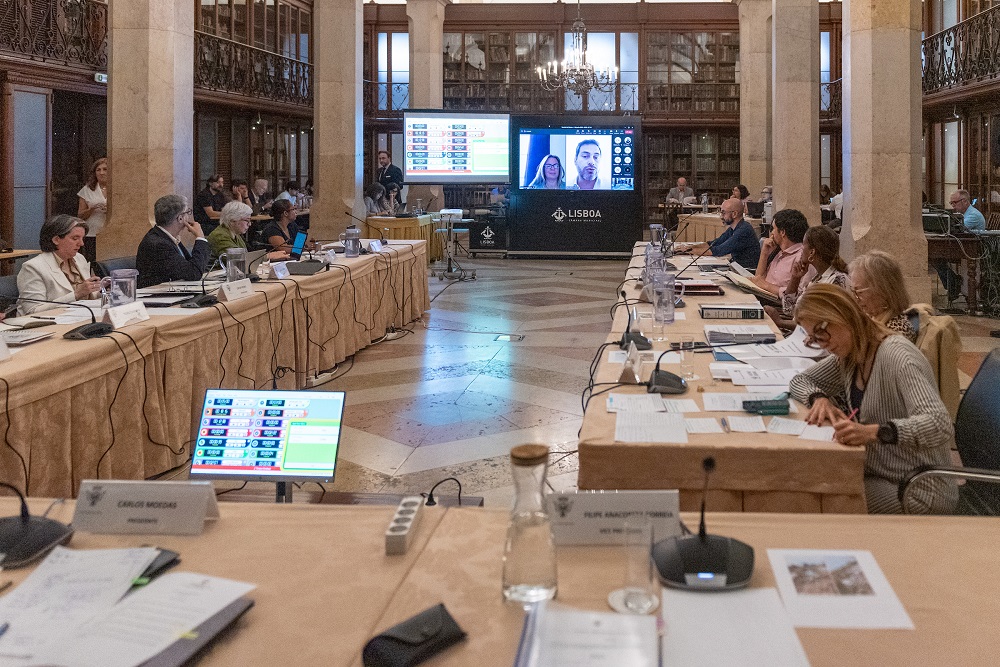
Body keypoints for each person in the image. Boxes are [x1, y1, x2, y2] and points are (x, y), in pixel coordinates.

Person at [789, 284, 958, 514]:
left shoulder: (897, 356)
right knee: (803, 481)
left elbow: (939, 424)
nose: (822, 344)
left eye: (821, 332)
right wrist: (819, 398)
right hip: (882, 474)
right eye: (813, 339)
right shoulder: (851, 353)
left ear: (841, 315)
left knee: (819, 498)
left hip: (918, 489)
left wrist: (873, 432)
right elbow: (800, 381)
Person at [765, 225, 849, 328]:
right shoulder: (817, 277)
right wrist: (795, 278)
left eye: (803, 245)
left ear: (812, 252)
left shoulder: (836, 280)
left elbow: (821, 325)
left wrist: (781, 322)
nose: (801, 249)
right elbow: (789, 309)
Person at [16, 215, 102, 315]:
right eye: (75, 238)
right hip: (50, 325)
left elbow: (88, 297)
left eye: (82, 238)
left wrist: (102, 292)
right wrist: (76, 294)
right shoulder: (33, 267)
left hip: (81, 317)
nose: (81, 243)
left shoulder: (79, 258)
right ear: (56, 240)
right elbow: (32, 311)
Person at [136, 195, 211, 289]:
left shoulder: (166, 237)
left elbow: (190, 268)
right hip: (159, 298)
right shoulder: (159, 244)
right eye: (188, 212)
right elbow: (193, 273)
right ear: (180, 218)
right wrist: (200, 237)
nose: (189, 216)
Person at [848, 251, 916, 342]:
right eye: (853, 290)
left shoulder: (897, 331)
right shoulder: (871, 319)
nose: (854, 299)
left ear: (883, 291)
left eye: (859, 292)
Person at [934, 189, 986, 298]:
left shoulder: (973, 215)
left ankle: (953, 284)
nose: (953, 206)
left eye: (955, 203)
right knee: (936, 258)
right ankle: (953, 283)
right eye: (951, 203)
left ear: (965, 201)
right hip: (965, 248)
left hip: (973, 251)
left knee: (936, 258)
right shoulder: (964, 214)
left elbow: (957, 229)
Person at [687, 197, 760, 270]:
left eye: (723, 213)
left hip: (746, 272)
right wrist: (690, 248)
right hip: (737, 267)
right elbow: (714, 243)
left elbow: (719, 250)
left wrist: (688, 251)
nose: (721, 216)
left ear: (734, 214)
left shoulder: (743, 230)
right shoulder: (734, 228)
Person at [750, 208, 810, 296]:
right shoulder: (778, 252)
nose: (771, 233)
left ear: (782, 232)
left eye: (773, 229)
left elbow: (801, 295)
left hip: (779, 306)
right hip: (763, 297)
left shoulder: (801, 257)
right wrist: (764, 253)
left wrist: (767, 286)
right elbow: (758, 279)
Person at [208, 201, 289, 264]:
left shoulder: (236, 234)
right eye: (247, 220)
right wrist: (268, 256)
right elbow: (238, 260)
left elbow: (246, 257)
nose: (249, 224)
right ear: (233, 219)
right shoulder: (220, 235)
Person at [77, 157, 109, 241]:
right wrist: (91, 209)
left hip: (112, 233)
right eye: (98, 170)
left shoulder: (119, 188)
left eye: (105, 169)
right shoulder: (87, 189)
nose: (102, 173)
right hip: (92, 234)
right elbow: (80, 216)